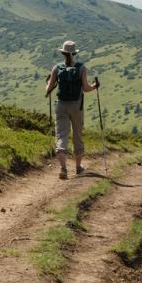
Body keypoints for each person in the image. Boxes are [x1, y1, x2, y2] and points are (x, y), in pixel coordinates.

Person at [45, 41, 99, 180]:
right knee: (77, 135)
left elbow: (48, 90)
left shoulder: (56, 68)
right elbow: (86, 89)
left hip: (61, 105)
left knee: (62, 136)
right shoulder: (81, 68)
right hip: (76, 106)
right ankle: (78, 167)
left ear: (62, 53)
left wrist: (48, 83)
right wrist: (94, 86)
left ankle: (63, 169)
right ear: (75, 53)